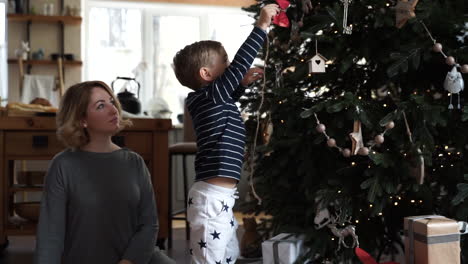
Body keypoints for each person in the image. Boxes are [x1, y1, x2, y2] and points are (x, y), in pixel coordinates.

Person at [172, 4, 279, 264]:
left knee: (227, 255)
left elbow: (228, 96)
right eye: (226, 64)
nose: (233, 67)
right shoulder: (206, 97)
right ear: (206, 74)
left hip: (221, 199)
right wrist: (262, 26)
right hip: (211, 199)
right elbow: (241, 63)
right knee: (209, 259)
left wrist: (240, 85)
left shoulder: (213, 98)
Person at [34, 81, 175, 264]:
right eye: (100, 106)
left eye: (111, 101)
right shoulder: (63, 165)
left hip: (138, 259)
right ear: (81, 120)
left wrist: (128, 262)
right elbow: (50, 235)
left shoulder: (134, 162)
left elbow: (149, 225)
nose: (113, 109)